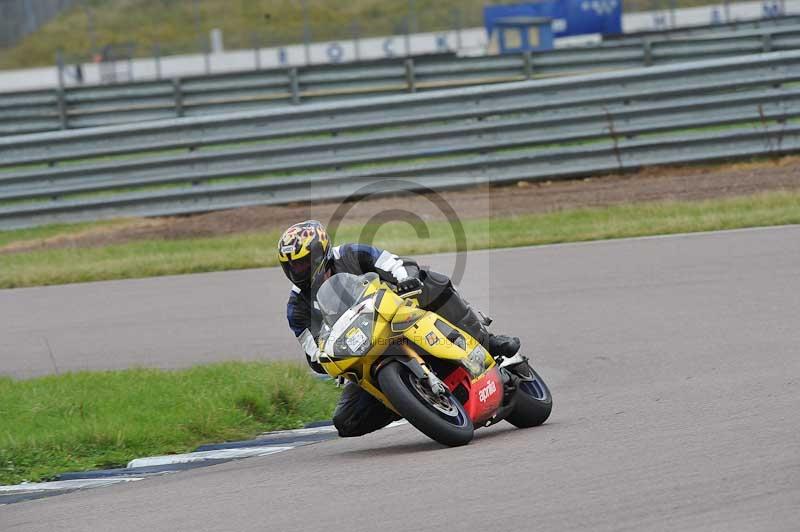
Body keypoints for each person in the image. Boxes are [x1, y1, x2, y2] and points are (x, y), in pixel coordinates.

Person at [278, 220, 520, 437]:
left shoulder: (351, 254)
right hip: (362, 348)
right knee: (346, 422)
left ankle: (486, 340)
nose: (299, 270)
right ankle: (408, 400)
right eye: (292, 266)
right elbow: (312, 350)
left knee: (430, 281)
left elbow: (391, 263)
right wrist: (323, 357)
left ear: (322, 252)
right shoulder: (297, 308)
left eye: (303, 263)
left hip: (397, 311)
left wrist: (405, 279)